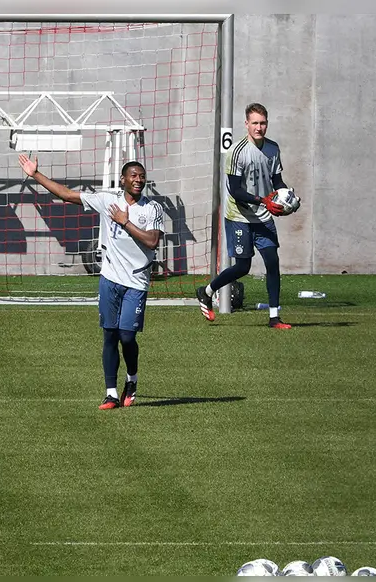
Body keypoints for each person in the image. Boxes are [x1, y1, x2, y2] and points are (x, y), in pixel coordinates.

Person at [18, 155, 163, 410]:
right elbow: (66, 195)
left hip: (137, 281)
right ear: (123, 179)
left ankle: (131, 379)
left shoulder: (153, 208)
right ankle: (111, 393)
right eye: (133, 175)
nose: (138, 180)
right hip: (110, 279)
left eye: (142, 176)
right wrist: (36, 174)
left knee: (127, 337)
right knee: (110, 334)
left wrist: (125, 222)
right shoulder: (107, 200)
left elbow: (152, 242)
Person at [197, 102, 291, 329]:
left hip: (263, 217)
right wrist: (264, 201)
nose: (259, 127)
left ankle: (274, 317)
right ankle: (206, 291)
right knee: (242, 267)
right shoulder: (237, 151)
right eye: (255, 123)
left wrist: (287, 199)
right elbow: (236, 191)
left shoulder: (273, 149)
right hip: (239, 217)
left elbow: (277, 181)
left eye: (263, 123)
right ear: (246, 124)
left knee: (272, 262)